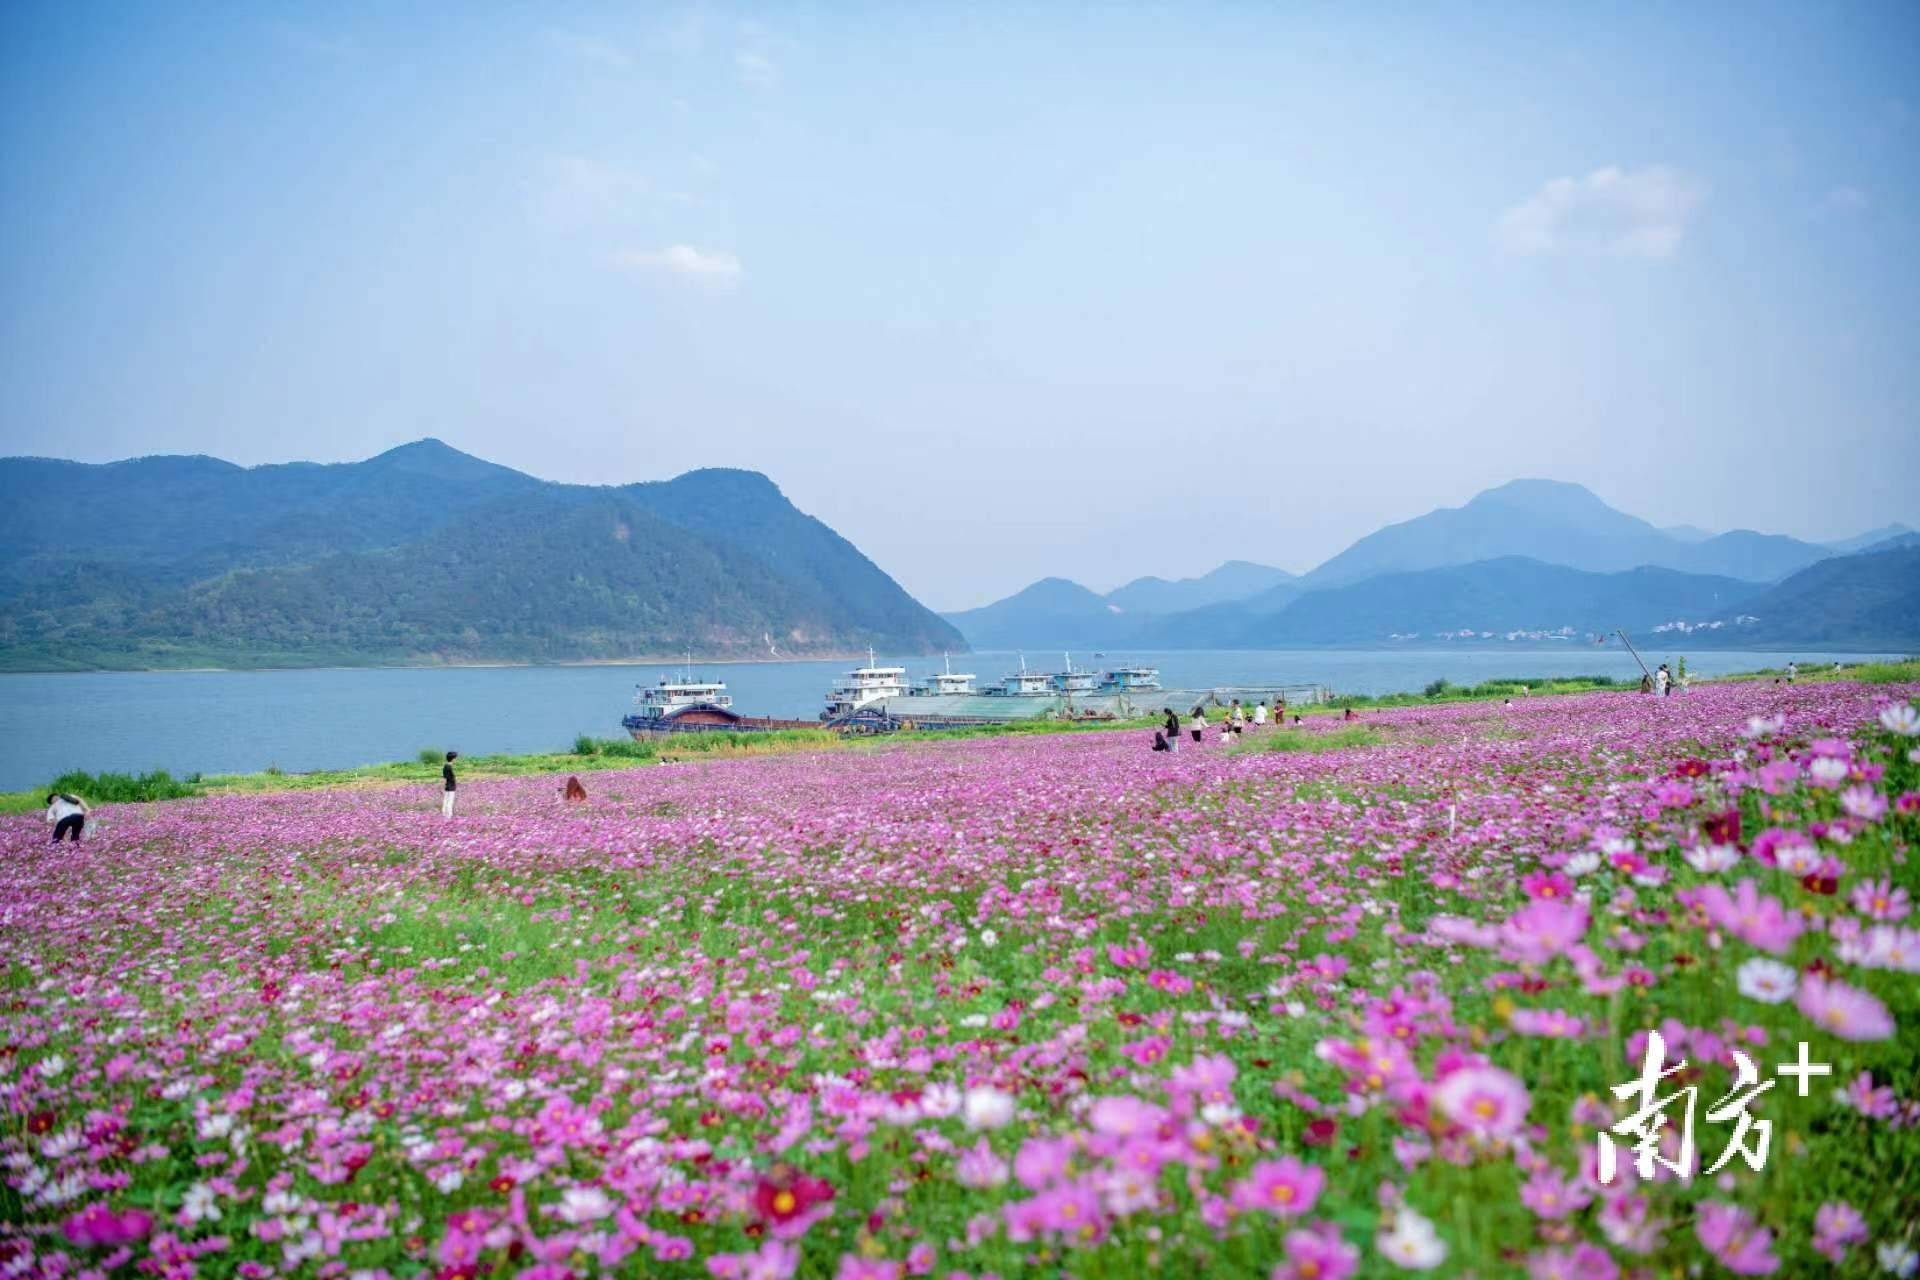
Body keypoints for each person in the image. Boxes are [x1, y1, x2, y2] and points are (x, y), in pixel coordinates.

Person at [441, 750, 459, 819]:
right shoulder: (449, 767)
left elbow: (444, 777)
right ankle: (449, 816)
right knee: (449, 802)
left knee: (445, 801)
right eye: (455, 758)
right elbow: (448, 777)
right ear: (453, 758)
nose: (456, 760)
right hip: (451, 787)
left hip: (447, 786)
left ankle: (444, 815)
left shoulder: (445, 766)